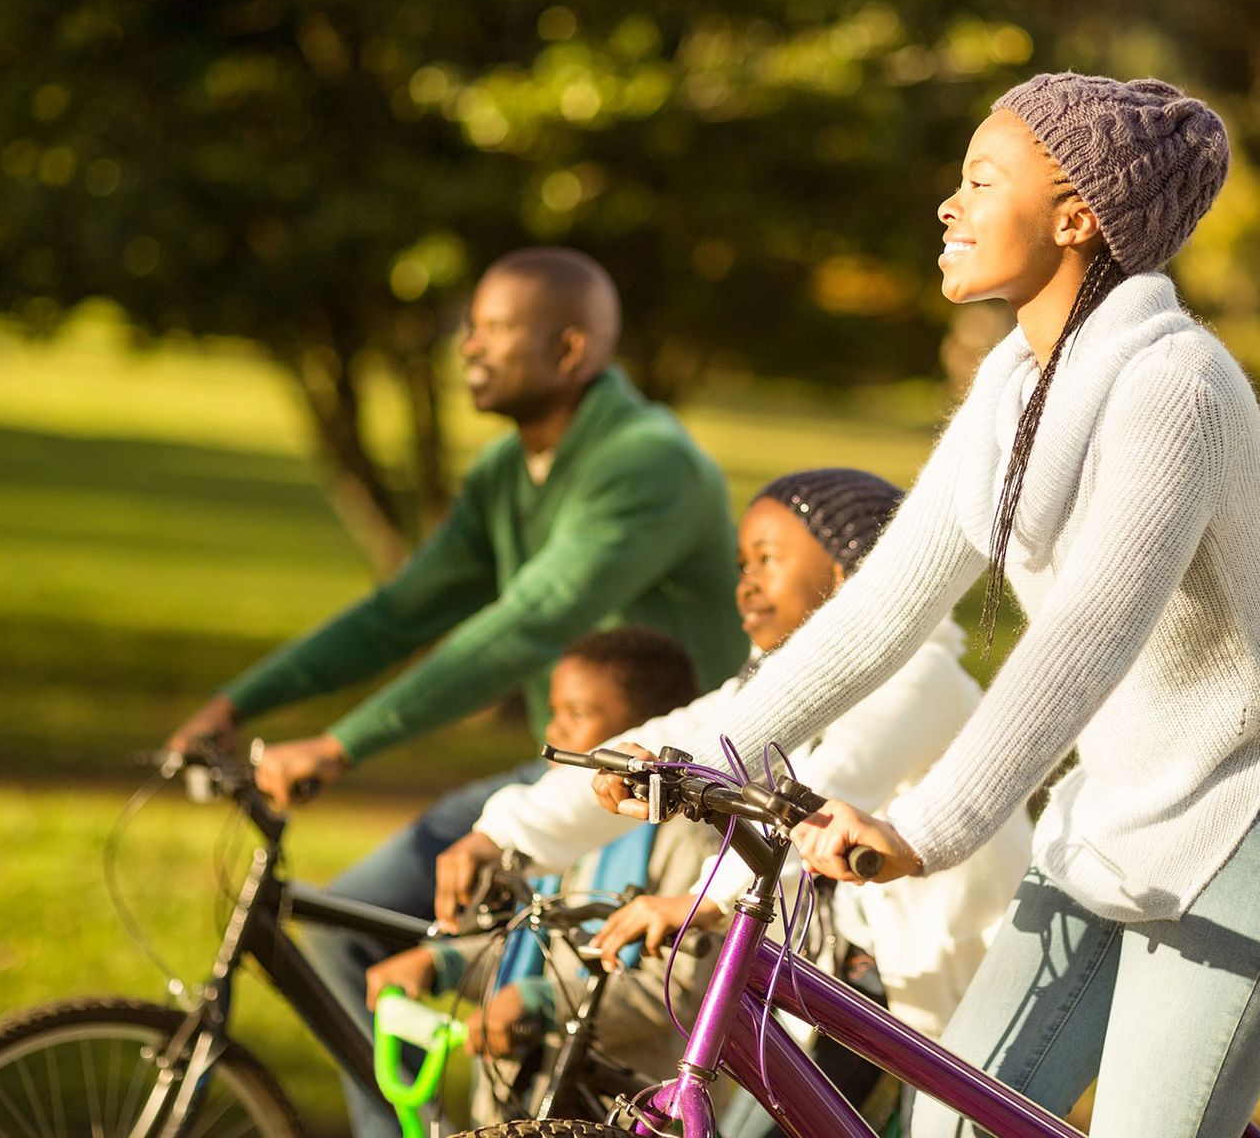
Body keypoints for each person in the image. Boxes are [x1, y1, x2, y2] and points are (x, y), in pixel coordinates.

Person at [628, 75, 1260, 1138]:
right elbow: (877, 617)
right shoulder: (1012, 387)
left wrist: (927, 824)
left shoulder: (1176, 384)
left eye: (980, 178)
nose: (947, 206)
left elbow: (1088, 634)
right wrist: (688, 746)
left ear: (1075, 216)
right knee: (954, 1123)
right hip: (1127, 805)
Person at [165, 246, 747, 1138]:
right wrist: (240, 702)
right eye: (468, 325)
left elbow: (528, 620)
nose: (469, 345)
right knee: (345, 924)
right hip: (568, 768)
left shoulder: (646, 463)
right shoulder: (508, 474)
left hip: (661, 797)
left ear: (569, 351)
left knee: (561, 990)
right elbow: (402, 612)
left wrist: (340, 745)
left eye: (496, 328)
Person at [437, 469, 1031, 1122]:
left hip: (925, 991)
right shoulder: (777, 687)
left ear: (851, 575)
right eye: (742, 562)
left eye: (769, 560)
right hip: (830, 985)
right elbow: (682, 738)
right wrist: (506, 834)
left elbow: (827, 794)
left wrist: (698, 901)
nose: (745, 581)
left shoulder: (921, 681)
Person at [363, 628, 723, 1122]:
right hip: (523, 1103)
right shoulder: (557, 833)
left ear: (646, 733)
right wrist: (442, 964)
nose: (556, 734)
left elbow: (679, 996)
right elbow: (533, 946)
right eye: (554, 712)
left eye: (578, 715)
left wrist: (542, 1003)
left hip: (622, 1111)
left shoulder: (687, 840)